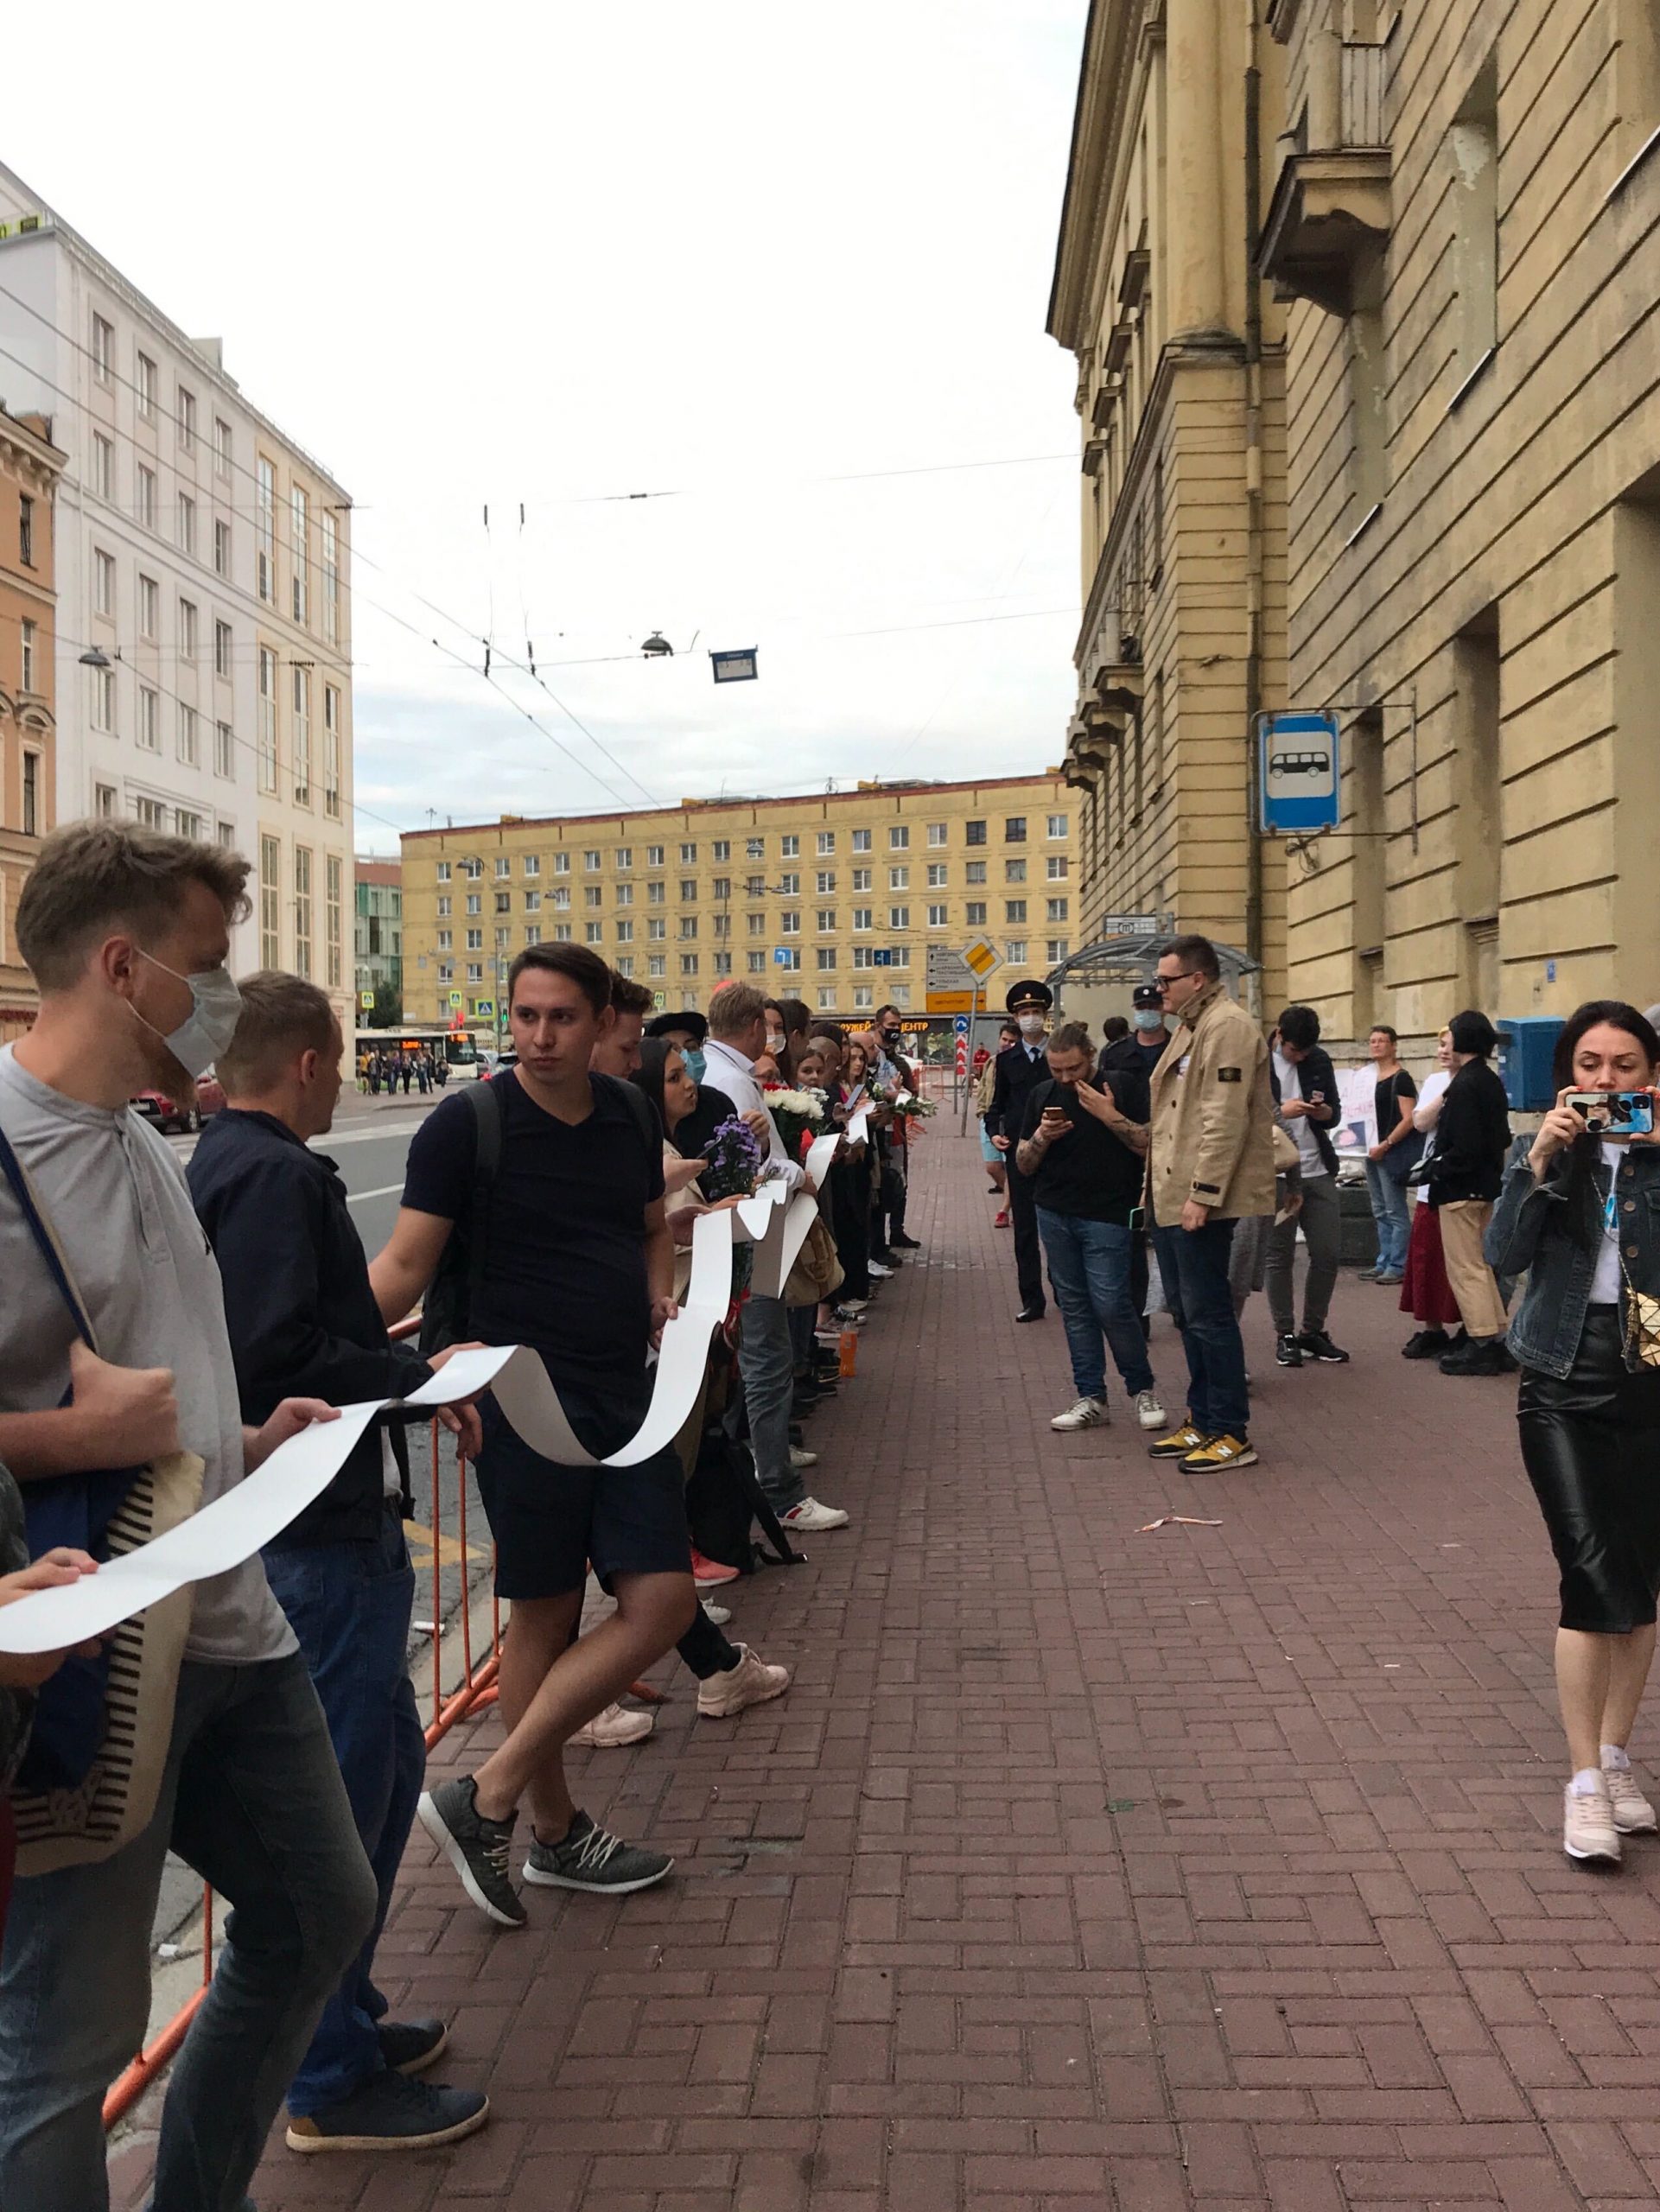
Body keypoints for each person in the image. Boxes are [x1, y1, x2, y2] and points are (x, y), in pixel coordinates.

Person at [0, 820, 375, 2212]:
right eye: (206, 966)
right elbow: (99, 1416)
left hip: (228, 1616)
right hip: (91, 1658)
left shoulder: (146, 1136)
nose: (221, 995)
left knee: (318, 1914)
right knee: (63, 2049)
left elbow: (170, 1359)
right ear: (123, 967)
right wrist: (70, 1437)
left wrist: (246, 1437)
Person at [187, 972, 489, 2155]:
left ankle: (343, 2021)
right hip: (319, 1532)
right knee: (346, 1798)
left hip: (316, 1526)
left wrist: (393, 1363)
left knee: (381, 1767)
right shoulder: (274, 1174)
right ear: (311, 1064)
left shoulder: (229, 1162)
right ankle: (325, 2073)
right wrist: (414, 1378)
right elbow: (276, 1357)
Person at [372, 943, 694, 1929]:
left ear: (602, 1024)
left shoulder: (628, 1112)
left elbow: (649, 1224)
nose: (540, 1037)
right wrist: (311, 1348)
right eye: (525, 1016)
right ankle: (552, 1834)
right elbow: (404, 1267)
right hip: (520, 1404)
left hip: (625, 1394)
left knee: (663, 1600)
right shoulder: (465, 1123)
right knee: (543, 1614)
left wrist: (659, 1293)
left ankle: (488, 1792)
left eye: (561, 1018)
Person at [1488, 1001, 1660, 1866]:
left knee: (1639, 1583)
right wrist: (1540, 1163)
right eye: (1589, 1065)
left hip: (1651, 1379)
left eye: (1624, 1066)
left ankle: (1617, 1758)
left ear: (1651, 1076)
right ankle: (1583, 1778)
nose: (1605, 1081)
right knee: (1591, 1572)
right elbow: (1502, 1255)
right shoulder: (1541, 1152)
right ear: (1565, 1074)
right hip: (1560, 1380)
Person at [703, 984, 849, 1535]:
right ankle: (779, 1490)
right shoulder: (731, 1079)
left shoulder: (730, 1073)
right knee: (767, 1358)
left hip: (753, 1230)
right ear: (753, 1028)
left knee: (762, 1358)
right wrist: (795, 1174)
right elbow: (745, 1165)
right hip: (752, 1233)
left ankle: (762, 1464)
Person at [1143, 935, 1275, 1473]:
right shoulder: (1192, 1026)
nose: (1158, 989)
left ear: (1197, 979)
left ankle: (1231, 1431)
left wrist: (1202, 1194)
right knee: (1187, 1314)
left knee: (1209, 1314)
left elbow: (1224, 1120)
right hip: (1171, 1194)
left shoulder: (1227, 1027)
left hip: (1198, 1199)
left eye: (1166, 980)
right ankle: (1201, 1419)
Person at [1014, 1022, 1165, 1433]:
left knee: (1112, 1303)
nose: (1066, 1078)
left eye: (1074, 1069)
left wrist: (1108, 1115)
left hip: (1109, 1213)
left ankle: (1141, 1388)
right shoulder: (1042, 1095)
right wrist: (1042, 1136)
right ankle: (1091, 1396)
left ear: (1091, 1057)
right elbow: (1024, 1164)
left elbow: (1149, 1144)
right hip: (1055, 1211)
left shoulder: (1122, 1086)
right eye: (1057, 1070)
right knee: (1075, 1306)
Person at [1427, 1008, 1514, 1376]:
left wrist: (1436, 1169)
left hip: (1460, 1188)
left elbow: (1463, 1145)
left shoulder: (1464, 1084)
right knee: (1481, 1265)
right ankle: (1496, 1338)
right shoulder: (1490, 1080)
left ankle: (1481, 1342)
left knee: (1466, 1269)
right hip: (1485, 1185)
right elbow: (1501, 1136)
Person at [1266, 1006, 1350, 1370]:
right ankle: (1284, 1333)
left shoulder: (1319, 1060)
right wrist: (1280, 1112)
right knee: (1279, 1255)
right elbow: (1245, 1115)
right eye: (1294, 1051)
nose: (1300, 1057)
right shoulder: (1258, 1061)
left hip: (1317, 1167)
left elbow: (1335, 1112)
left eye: (1306, 1052)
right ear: (1279, 1034)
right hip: (1276, 1171)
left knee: (1328, 1252)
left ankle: (1312, 1330)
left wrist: (1323, 1112)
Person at [1100, 984, 1173, 1323]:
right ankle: (1138, 1317)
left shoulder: (1180, 1047)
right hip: (1127, 1155)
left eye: (1153, 1006)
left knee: (1173, 1237)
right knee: (1131, 1241)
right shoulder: (1116, 1054)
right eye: (1142, 1007)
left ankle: (1178, 1307)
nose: (1148, 1012)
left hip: (1172, 1151)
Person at [986, 980, 1058, 1321]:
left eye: (1036, 1011)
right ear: (1015, 1018)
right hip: (1020, 1154)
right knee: (1025, 1229)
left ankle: (1065, 1291)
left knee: (1059, 1227)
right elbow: (996, 1107)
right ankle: (1032, 1299)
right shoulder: (1006, 1060)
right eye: (1025, 1012)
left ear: (1045, 1014)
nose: (1031, 1017)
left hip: (1059, 1152)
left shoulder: (1059, 1053)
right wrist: (994, 1133)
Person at [1399, 1030, 1466, 1359]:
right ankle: (1432, 1329)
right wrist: (1447, 1095)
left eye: (1449, 1046)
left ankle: (1472, 1329)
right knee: (1426, 1258)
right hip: (1431, 1184)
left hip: (1463, 1185)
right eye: (1440, 1046)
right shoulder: (1436, 1082)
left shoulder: (1479, 1081)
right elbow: (1420, 1121)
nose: (1442, 1052)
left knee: (1464, 1262)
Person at [1361, 1025, 1418, 1286]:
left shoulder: (1401, 1078)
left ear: (1393, 1045)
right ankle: (1383, 1261)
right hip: (1370, 1150)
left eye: (1381, 1041)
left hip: (1390, 1151)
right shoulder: (1366, 1078)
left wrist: (1386, 1144)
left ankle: (1398, 1264)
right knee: (1379, 1209)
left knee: (1395, 1210)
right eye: (1372, 1041)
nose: (1376, 1045)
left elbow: (1409, 1118)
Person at [976, 1021, 1019, 1224]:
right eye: (1004, 1039)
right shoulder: (992, 1062)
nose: (1007, 1044)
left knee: (1011, 1166)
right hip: (989, 1118)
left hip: (1009, 1119)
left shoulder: (1019, 1064)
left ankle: (1006, 1208)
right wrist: (981, 1110)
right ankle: (1017, 1197)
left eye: (1012, 1041)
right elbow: (984, 1087)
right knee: (992, 1167)